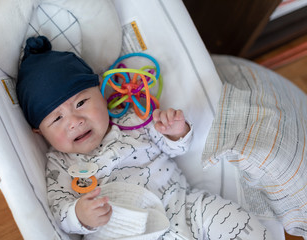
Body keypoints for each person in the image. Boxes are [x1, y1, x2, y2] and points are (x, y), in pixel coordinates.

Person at [17, 36, 272, 239]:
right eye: (56, 119)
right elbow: (59, 209)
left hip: (183, 205)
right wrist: (80, 215)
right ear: (40, 132)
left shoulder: (134, 119)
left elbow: (176, 148)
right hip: (124, 232)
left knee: (232, 221)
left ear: (101, 92)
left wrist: (176, 131)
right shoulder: (61, 164)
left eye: (82, 102)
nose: (75, 121)